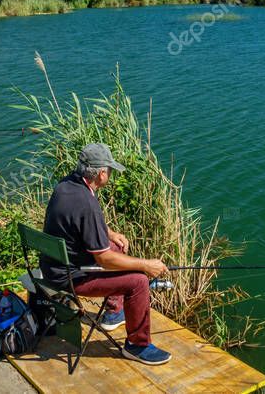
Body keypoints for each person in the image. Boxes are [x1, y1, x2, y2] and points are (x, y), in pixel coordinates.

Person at [41, 143, 171, 366]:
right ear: (101, 173)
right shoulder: (86, 202)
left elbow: (77, 223)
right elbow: (104, 259)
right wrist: (145, 265)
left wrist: (109, 233)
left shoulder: (66, 186)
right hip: (70, 277)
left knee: (118, 248)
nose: (110, 174)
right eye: (109, 170)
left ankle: (113, 314)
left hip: (54, 265)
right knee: (138, 281)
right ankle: (137, 346)